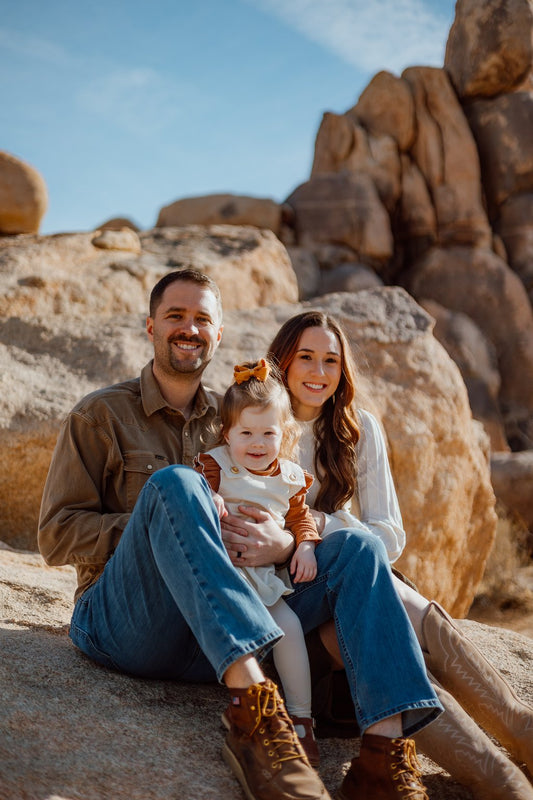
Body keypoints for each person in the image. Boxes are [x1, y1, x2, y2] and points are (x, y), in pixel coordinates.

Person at [38, 268, 442, 800]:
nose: (189, 328)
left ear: (219, 333)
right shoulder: (101, 415)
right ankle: (255, 716)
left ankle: (382, 759)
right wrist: (173, 528)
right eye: (175, 316)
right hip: (132, 626)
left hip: (224, 627)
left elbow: (288, 503)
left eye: (202, 318)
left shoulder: (238, 417)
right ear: (151, 326)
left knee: (360, 546)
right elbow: (56, 535)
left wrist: (290, 539)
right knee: (177, 486)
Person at [243, 309, 533, 800]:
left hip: (353, 583)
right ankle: (501, 781)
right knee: (376, 627)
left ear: (342, 370)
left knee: (373, 599)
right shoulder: (258, 424)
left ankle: (517, 735)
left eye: (330, 361)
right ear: (282, 362)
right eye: (305, 358)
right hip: (288, 604)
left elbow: (389, 536)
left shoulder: (359, 431)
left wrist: (328, 529)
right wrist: (312, 538)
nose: (318, 373)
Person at [194, 357, 321, 765]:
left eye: (268, 433)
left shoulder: (290, 477)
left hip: (264, 579)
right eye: (245, 432)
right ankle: (248, 702)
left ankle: (301, 718)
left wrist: (304, 546)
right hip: (222, 576)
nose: (257, 443)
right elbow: (190, 494)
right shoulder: (215, 465)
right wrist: (209, 499)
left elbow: (301, 517)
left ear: (283, 434)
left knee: (289, 629)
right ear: (227, 433)